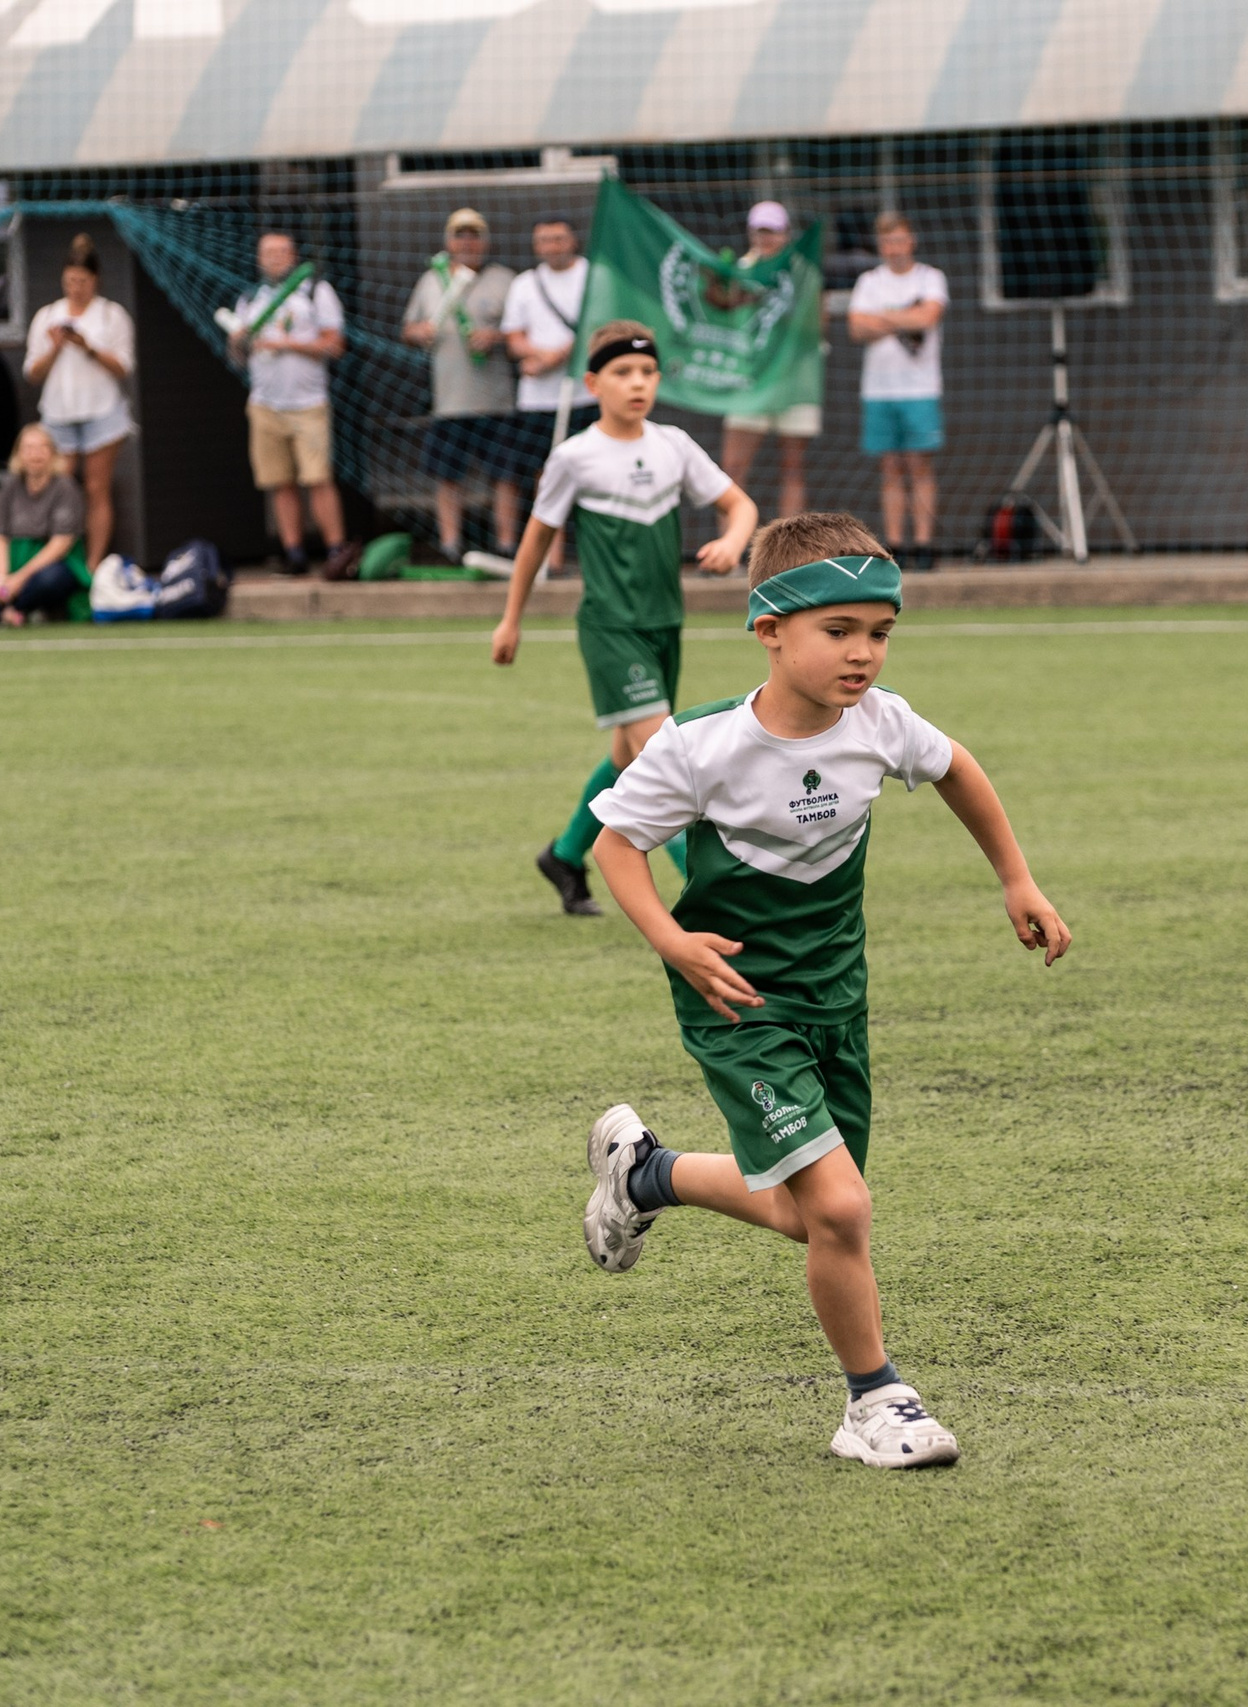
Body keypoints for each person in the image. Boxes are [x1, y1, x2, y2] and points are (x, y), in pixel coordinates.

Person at [576, 509, 1073, 1469]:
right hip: (739, 1006)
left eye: (879, 633)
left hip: (838, 1003)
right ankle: (873, 1400)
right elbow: (616, 847)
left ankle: (647, 1174)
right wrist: (673, 940)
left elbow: (958, 767)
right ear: (769, 629)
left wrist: (1017, 877)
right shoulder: (699, 745)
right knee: (842, 1209)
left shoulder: (880, 724)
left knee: (812, 1212)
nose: (863, 655)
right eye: (837, 632)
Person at [490, 322, 757, 916]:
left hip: (665, 623)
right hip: (611, 628)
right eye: (622, 373)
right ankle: (720, 900)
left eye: (647, 372)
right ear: (593, 383)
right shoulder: (575, 456)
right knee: (668, 756)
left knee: (626, 760)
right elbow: (535, 542)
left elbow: (740, 505)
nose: (637, 383)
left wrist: (733, 541)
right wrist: (511, 619)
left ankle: (563, 855)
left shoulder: (673, 444)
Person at [231, 233, 357, 581]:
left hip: (308, 403)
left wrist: (287, 343)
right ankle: (294, 553)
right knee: (279, 481)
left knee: (317, 478)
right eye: (267, 252)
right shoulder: (250, 298)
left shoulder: (316, 292)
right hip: (265, 404)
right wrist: (237, 343)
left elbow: (335, 344)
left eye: (280, 252)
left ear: (294, 256)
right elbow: (239, 356)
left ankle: (336, 552)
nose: (273, 258)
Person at [402, 208, 519, 563]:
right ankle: (451, 544)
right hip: (448, 399)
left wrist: (495, 337)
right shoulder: (431, 280)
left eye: (474, 235)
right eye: (460, 235)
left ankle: (506, 544)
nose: (467, 242)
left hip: (497, 399)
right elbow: (408, 328)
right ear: (448, 241)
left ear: (485, 241)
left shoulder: (506, 280)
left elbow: (523, 333)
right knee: (447, 475)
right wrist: (419, 332)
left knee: (505, 475)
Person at [23, 234, 135, 576]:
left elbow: (124, 367)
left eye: (82, 281)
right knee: (60, 489)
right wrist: (56, 347)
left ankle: (93, 566)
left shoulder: (112, 315)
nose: (76, 287)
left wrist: (87, 347)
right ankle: (57, 563)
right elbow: (32, 372)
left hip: (103, 412)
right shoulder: (47, 316)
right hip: (58, 413)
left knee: (96, 488)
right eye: (70, 281)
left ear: (95, 280)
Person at [846, 212, 948, 569]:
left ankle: (923, 543)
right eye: (887, 241)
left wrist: (883, 318)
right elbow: (857, 327)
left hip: (920, 388)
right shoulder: (869, 281)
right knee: (890, 467)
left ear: (912, 241)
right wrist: (905, 316)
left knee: (919, 465)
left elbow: (929, 318)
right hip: (879, 389)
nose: (894, 248)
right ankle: (895, 544)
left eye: (900, 240)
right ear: (880, 245)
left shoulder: (931, 277)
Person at [500, 214, 595, 569]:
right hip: (538, 399)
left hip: (586, 395)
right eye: (544, 240)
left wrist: (553, 358)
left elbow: (597, 328)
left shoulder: (592, 276)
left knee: (591, 475)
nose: (552, 247)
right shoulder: (525, 284)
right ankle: (550, 559)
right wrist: (538, 358)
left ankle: (590, 554)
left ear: (572, 241)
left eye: (558, 238)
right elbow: (514, 338)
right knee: (544, 477)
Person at [720, 202, 818, 519]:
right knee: (733, 467)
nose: (766, 238)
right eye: (760, 231)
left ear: (787, 234)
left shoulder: (804, 272)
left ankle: (789, 554)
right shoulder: (739, 272)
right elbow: (725, 321)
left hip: (794, 380)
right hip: (750, 380)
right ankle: (732, 554)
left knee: (793, 467)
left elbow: (817, 325)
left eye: (773, 231)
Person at [0, 424, 86, 627]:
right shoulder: (10, 485)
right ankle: (5, 614)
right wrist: (1, 578)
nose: (35, 455)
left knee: (52, 580)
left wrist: (19, 579)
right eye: (28, 448)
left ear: (53, 453)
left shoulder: (65, 487)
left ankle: (4, 609)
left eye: (41, 448)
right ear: (19, 454)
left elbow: (60, 545)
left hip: (45, 565)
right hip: (13, 562)